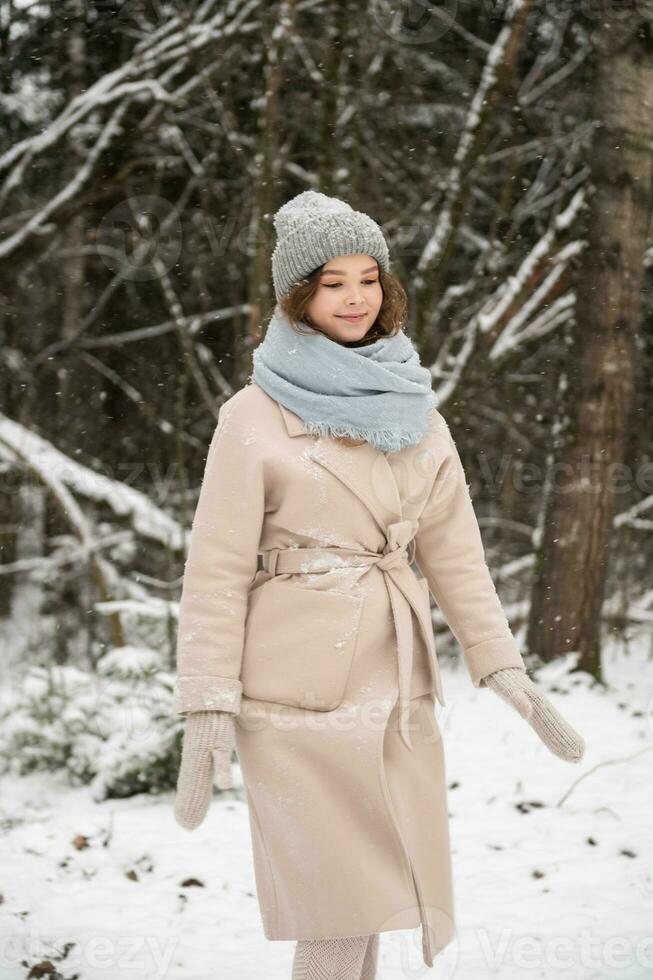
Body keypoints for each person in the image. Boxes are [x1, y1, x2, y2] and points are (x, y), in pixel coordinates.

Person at [172, 191, 586, 980]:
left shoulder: (418, 413)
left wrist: (502, 669)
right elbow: (217, 572)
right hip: (293, 694)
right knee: (333, 906)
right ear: (298, 297)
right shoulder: (251, 416)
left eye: (368, 278)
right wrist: (206, 704)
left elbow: (455, 553)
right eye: (332, 282)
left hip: (397, 688)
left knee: (374, 903)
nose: (355, 296)